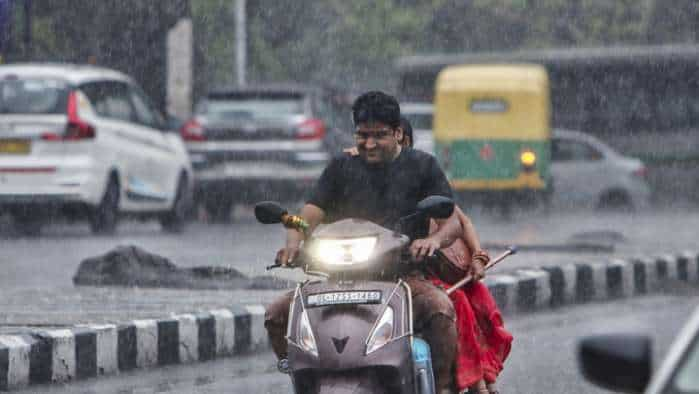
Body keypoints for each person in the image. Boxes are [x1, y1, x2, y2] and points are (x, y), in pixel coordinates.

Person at [264, 91, 475, 392]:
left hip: (401, 279)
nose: (369, 143)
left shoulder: (423, 166)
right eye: (363, 135)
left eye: (380, 135)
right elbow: (306, 216)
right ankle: (303, 373)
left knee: (440, 309)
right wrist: (293, 241)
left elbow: (451, 222)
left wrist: (433, 240)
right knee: (276, 314)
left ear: (399, 133)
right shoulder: (340, 168)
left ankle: (441, 387)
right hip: (335, 280)